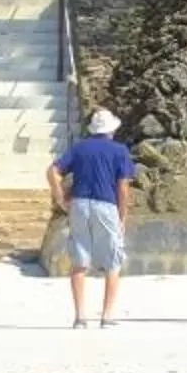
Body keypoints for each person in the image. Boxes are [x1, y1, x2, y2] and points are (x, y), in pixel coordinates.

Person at [47, 109, 136, 329]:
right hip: (106, 205)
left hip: (79, 204)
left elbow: (52, 171)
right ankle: (106, 316)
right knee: (113, 262)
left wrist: (60, 198)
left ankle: (80, 317)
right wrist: (123, 216)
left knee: (79, 262)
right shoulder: (119, 151)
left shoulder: (79, 148)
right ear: (111, 130)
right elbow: (122, 187)